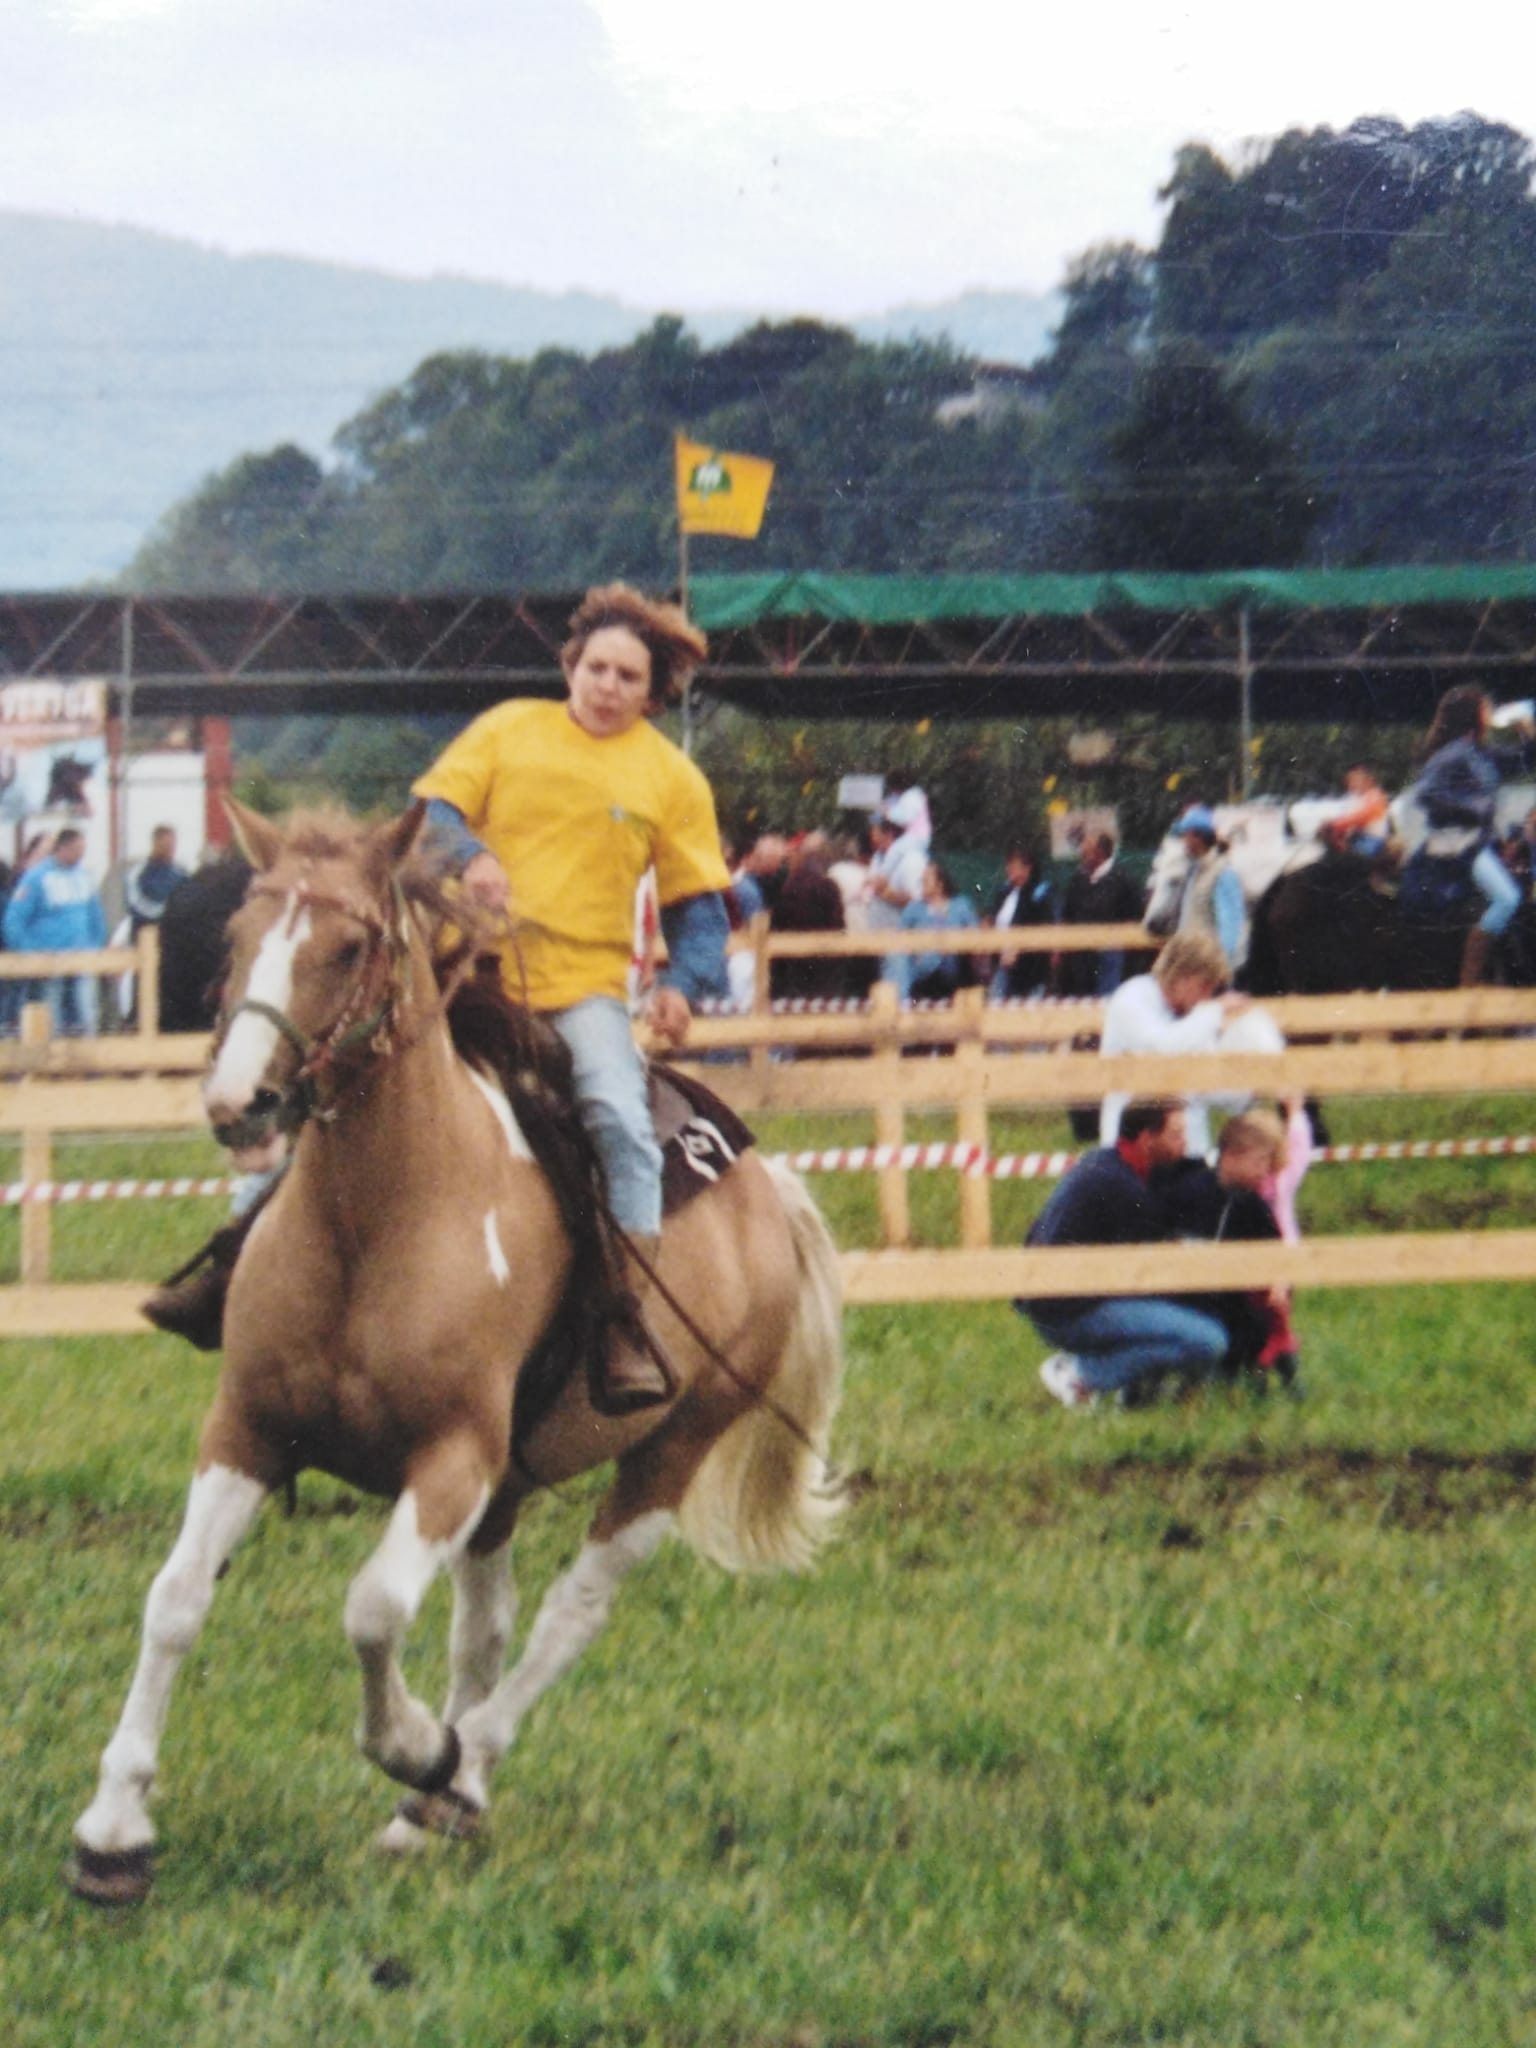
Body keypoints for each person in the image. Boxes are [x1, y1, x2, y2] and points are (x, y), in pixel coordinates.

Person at [413, 582, 732, 1414]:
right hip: (464, 974)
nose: (608, 687)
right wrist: (469, 853)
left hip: (577, 990)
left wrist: (683, 984)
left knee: (624, 1125)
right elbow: (433, 811)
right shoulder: (507, 727)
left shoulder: (672, 778)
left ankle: (623, 1322)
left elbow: (700, 907)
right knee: (346, 1082)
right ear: (571, 665)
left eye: (629, 677)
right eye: (596, 668)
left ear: (654, 691)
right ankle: (241, 1258)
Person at [1016, 1099, 1231, 1408]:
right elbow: (1165, 1263)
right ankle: (1081, 1374)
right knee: (1208, 1341)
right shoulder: (1123, 1187)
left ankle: (1127, 1389)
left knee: (1176, 1324)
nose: (1185, 1143)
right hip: (1070, 1310)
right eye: (1176, 1134)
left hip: (1050, 1301)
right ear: (1146, 1138)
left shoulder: (1103, 1161)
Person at [1412, 685, 1536, 985]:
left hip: (1478, 841)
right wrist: (1476, 808)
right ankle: (1470, 978)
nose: (1491, 712)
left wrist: (1527, 731)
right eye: (1485, 708)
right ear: (1473, 715)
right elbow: (1426, 793)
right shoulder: (1453, 754)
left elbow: (1527, 760)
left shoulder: (1483, 754)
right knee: (1507, 898)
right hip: (1459, 844)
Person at [1099, 930, 1252, 1157]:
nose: (1208, 995)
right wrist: (1215, 1012)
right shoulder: (1131, 998)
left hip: (1188, 1147)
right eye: (1204, 985)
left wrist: (1249, 1082)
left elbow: (1213, 1085)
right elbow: (1163, 1048)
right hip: (1134, 1147)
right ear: (1182, 975)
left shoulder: (1194, 1018)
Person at [1, 826, 106, 1035]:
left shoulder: (84, 877)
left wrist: (97, 945)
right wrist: (30, 953)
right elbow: (14, 920)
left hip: (83, 955)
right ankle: (53, 1062)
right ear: (63, 848)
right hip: (50, 958)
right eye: (77, 850)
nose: (81, 855)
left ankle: (92, 1058)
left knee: (88, 1010)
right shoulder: (36, 878)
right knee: (51, 1011)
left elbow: (95, 914)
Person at [1057, 829, 1146, 999]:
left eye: (1087, 846)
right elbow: (1067, 915)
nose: (1081, 850)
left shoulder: (1125, 880)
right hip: (1081, 956)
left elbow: (1135, 918)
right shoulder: (1078, 879)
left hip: (1112, 958)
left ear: (1100, 852)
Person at [1165, 804, 1248, 973]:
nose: (1183, 841)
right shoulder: (1193, 872)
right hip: (1191, 965)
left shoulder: (1223, 873)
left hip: (1210, 970)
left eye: (1185, 835)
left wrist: (1220, 968)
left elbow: (1230, 927)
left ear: (1198, 837)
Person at [889, 860, 979, 1003]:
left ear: (940, 884)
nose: (922, 881)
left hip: (955, 970)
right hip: (924, 973)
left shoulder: (960, 905)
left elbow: (975, 935)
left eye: (927, 878)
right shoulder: (915, 908)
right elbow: (899, 935)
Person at [986, 841, 1056, 1000]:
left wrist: (1019, 951)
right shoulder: (1004, 892)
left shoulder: (1040, 894)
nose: (1008, 869)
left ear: (1027, 868)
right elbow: (993, 921)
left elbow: (1043, 929)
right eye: (1008, 865)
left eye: (1013, 865)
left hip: (1029, 968)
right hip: (1002, 964)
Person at [126, 824, 189, 937]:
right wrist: (166, 914)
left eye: (172, 845)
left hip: (174, 936)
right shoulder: (137, 873)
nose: (170, 849)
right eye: (166, 845)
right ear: (155, 843)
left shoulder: (180, 874)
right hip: (145, 934)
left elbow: (188, 901)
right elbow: (134, 904)